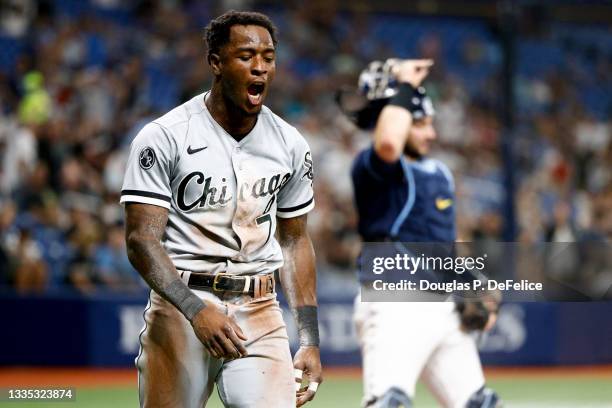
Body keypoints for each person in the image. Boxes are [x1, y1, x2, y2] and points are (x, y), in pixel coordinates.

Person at [121, 11, 322, 408]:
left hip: (261, 309)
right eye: (246, 55)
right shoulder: (164, 137)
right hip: (182, 305)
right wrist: (196, 311)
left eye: (268, 56)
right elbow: (141, 240)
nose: (260, 66)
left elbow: (296, 242)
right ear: (216, 63)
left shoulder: (290, 143)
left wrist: (310, 340)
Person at [347, 59, 501, 407]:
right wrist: (403, 85)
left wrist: (473, 281)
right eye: (420, 124)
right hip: (394, 301)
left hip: (442, 306)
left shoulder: (439, 173)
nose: (431, 133)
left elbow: (444, 246)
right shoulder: (371, 165)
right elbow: (388, 143)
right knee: (390, 403)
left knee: (481, 403)